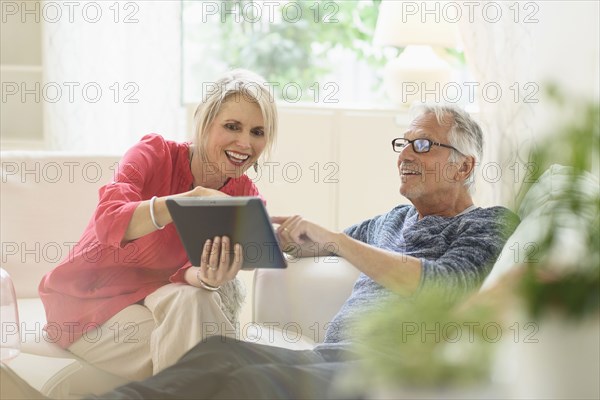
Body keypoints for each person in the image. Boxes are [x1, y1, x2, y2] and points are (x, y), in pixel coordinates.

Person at [6, 105, 518, 399]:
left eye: (422, 145)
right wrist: (267, 236)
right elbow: (310, 245)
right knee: (219, 352)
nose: (405, 155)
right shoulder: (392, 220)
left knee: (243, 382)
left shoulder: (489, 224)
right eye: (402, 144)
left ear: (464, 166)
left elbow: (437, 281)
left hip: (381, 368)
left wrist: (337, 241)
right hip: (330, 357)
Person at [37, 69, 279, 380]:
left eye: (257, 132)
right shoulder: (153, 153)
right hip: (89, 305)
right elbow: (109, 221)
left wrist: (207, 277)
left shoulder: (244, 194)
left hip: (161, 299)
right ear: (205, 121)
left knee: (196, 300)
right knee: (204, 347)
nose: (245, 143)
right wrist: (182, 204)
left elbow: (182, 275)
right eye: (232, 126)